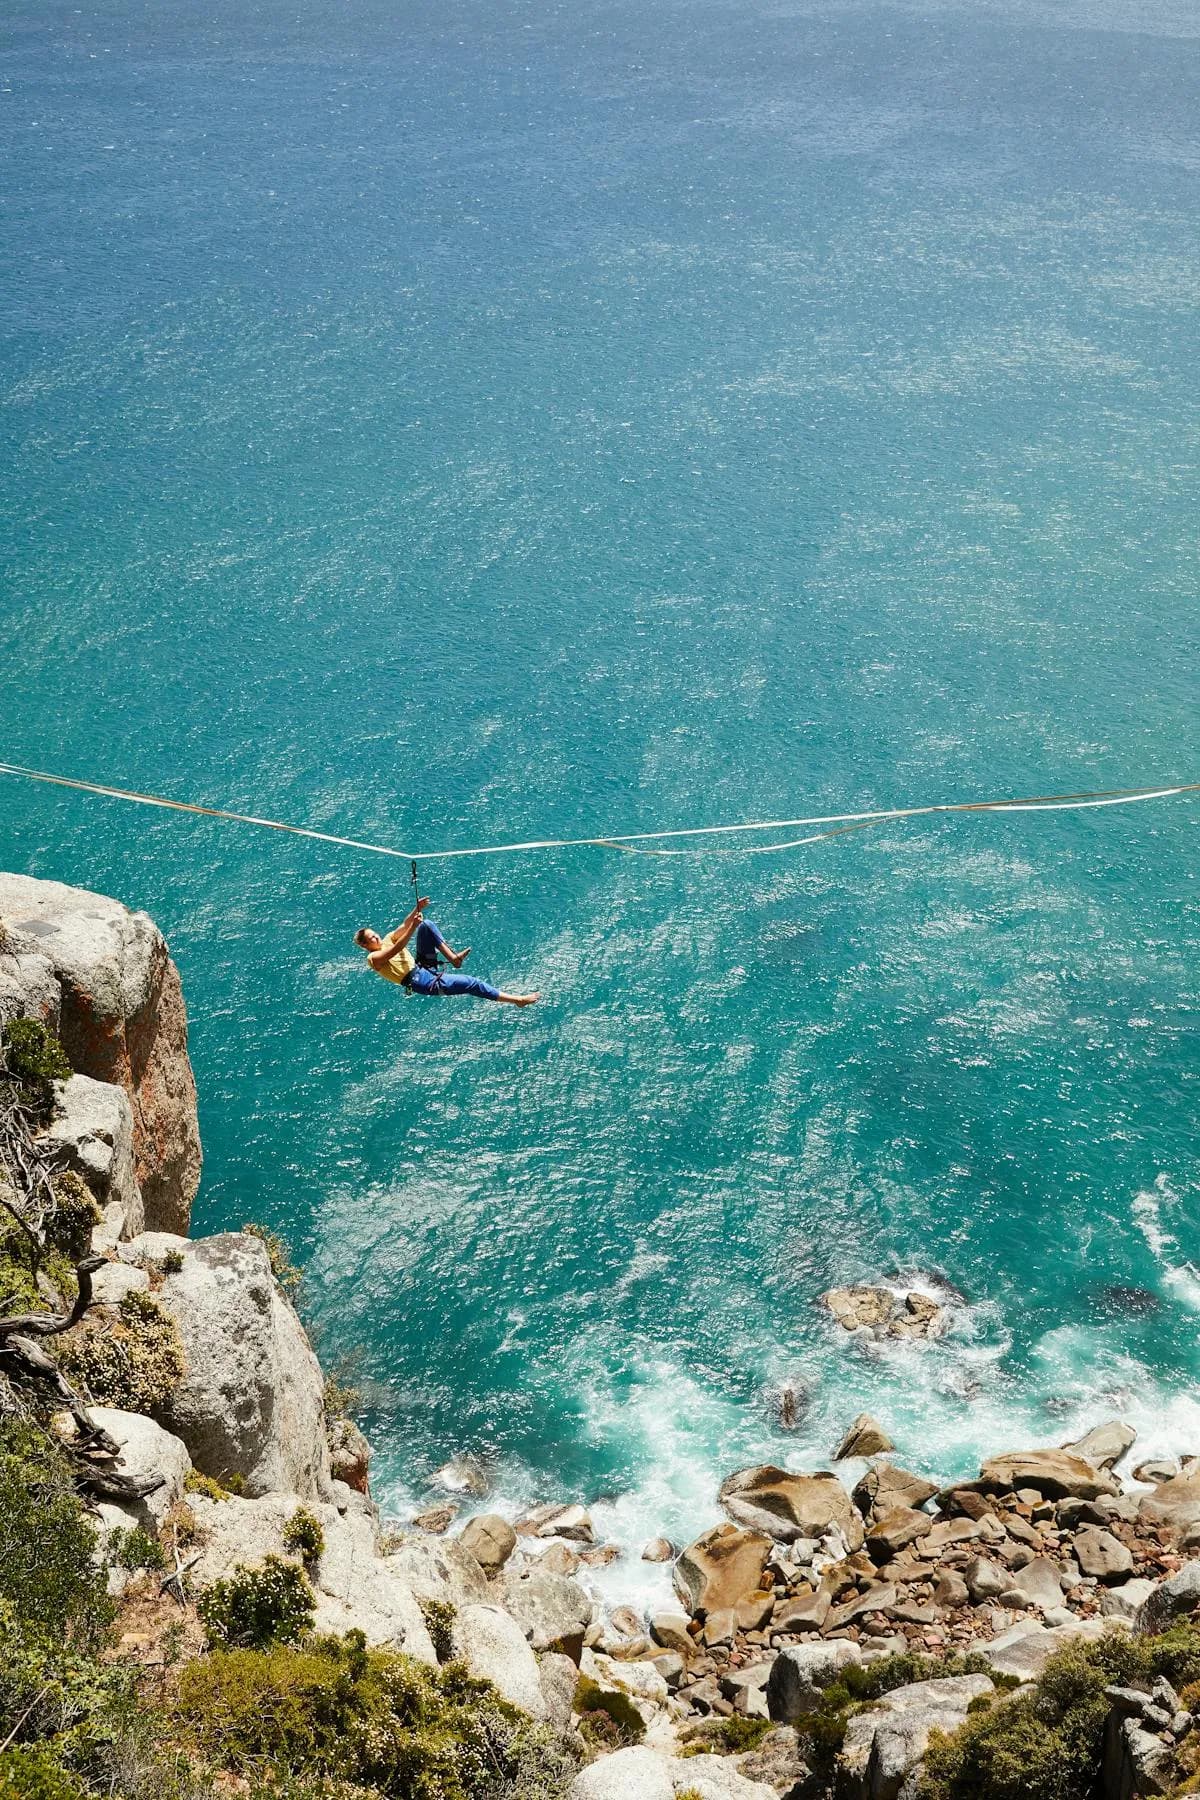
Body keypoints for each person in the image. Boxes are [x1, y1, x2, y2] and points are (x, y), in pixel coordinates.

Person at [354, 897, 538, 1007]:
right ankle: (517, 1000)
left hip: (423, 966)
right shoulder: (373, 959)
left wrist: (417, 908)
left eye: (375, 934)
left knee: (426, 925)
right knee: (471, 984)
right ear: (365, 945)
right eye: (372, 938)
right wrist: (412, 928)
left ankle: (453, 958)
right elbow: (398, 948)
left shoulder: (386, 938)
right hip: (422, 982)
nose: (377, 938)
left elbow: (404, 925)